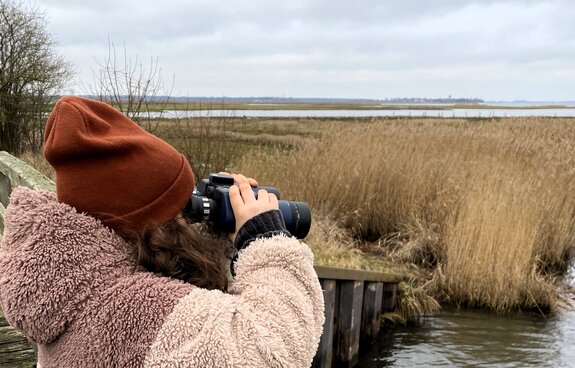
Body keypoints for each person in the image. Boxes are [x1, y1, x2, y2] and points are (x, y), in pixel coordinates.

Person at [0, 96, 324, 367]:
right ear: (157, 226)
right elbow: (276, 345)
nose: (189, 215)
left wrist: (215, 239)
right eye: (182, 206)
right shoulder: (133, 310)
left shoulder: (70, 286)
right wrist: (263, 238)